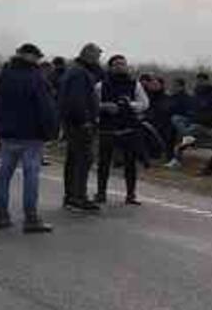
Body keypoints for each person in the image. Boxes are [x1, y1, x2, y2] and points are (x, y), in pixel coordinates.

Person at [0, 43, 58, 233]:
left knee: (4, 175)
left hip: (8, 135)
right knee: (31, 176)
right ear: (31, 57)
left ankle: (2, 215)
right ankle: (31, 218)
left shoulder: (3, 76)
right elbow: (46, 108)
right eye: (37, 57)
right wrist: (51, 132)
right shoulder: (36, 78)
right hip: (31, 135)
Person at [94, 56, 149, 206]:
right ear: (110, 67)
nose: (120, 67)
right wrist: (104, 106)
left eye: (123, 64)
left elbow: (144, 103)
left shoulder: (134, 84)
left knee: (130, 164)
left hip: (128, 128)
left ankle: (131, 195)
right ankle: (101, 193)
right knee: (103, 163)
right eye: (117, 64)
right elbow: (92, 104)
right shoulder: (101, 86)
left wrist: (130, 104)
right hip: (107, 129)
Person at [59, 43, 103, 212]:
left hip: (72, 122)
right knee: (82, 159)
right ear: (89, 55)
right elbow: (76, 99)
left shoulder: (75, 70)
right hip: (79, 123)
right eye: (97, 56)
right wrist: (84, 119)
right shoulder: (79, 73)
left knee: (74, 159)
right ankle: (78, 197)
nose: (98, 60)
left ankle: (71, 196)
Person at [175, 72, 212, 154]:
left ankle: (179, 154)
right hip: (193, 120)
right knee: (176, 118)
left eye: (202, 81)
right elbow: (192, 108)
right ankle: (187, 138)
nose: (200, 82)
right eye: (198, 80)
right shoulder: (196, 94)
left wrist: (206, 119)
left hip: (204, 123)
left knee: (187, 132)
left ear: (207, 81)